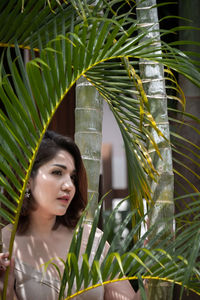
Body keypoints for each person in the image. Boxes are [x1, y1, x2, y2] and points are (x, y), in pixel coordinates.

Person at [0, 130, 140, 300]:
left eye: (72, 177)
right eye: (57, 172)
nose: (69, 186)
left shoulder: (91, 239)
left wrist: (151, 278)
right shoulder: (4, 243)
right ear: (28, 180)